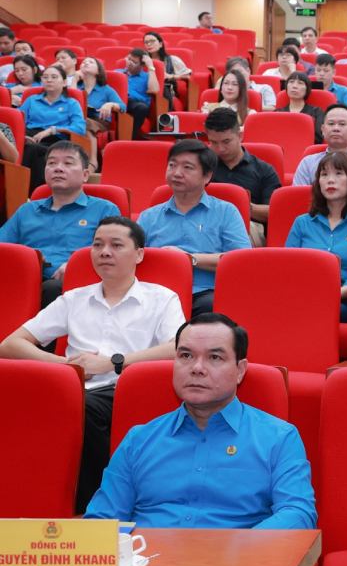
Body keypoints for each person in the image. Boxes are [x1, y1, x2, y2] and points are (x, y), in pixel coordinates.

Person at [0, 215, 185, 513]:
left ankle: (93, 504)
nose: (104, 252)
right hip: (73, 388)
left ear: (139, 254)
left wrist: (113, 363)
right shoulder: (74, 299)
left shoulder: (161, 298)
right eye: (97, 245)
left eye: (115, 245)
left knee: (81, 408)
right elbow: (10, 345)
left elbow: (180, 346)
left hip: (126, 388)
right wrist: (66, 366)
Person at [85, 313, 318, 529]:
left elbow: (298, 513)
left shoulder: (278, 438)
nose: (197, 368)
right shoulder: (139, 439)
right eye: (186, 355)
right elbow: (103, 519)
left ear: (240, 370)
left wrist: (241, 550)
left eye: (214, 357)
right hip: (148, 565)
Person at [0, 141, 122, 305]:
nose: (58, 168)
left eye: (68, 163)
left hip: (75, 282)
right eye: (51, 163)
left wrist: (78, 263)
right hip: (23, 277)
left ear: (85, 175)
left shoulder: (105, 209)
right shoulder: (27, 210)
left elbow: (114, 249)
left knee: (52, 289)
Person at [138, 140, 251, 315]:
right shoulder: (149, 216)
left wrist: (189, 259)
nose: (176, 173)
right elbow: (132, 256)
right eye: (172, 165)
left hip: (205, 293)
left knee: (213, 309)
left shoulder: (226, 211)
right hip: (158, 292)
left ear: (206, 176)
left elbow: (240, 260)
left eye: (187, 168)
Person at [285, 152, 347, 320]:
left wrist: (337, 293)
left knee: (321, 309)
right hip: (303, 296)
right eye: (324, 174)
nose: (330, 180)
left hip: (341, 300)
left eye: (338, 173)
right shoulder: (302, 223)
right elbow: (287, 267)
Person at [205, 108, 280, 246]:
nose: (220, 148)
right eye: (214, 143)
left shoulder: (264, 170)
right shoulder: (203, 166)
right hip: (205, 222)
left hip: (248, 225)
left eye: (226, 141)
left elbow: (275, 211)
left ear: (240, 136)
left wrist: (243, 205)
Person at [19, 64, 85, 146]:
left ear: (64, 82)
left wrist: (52, 130)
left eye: (54, 77)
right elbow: (19, 121)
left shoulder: (71, 103)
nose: (49, 80)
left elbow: (80, 129)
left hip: (56, 140)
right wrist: (23, 137)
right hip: (30, 135)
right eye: (45, 77)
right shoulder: (32, 100)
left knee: (31, 149)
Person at [77, 56, 125, 146]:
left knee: (82, 122)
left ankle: (93, 160)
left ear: (98, 71)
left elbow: (123, 107)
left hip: (99, 121)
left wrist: (110, 104)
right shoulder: (76, 87)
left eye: (91, 62)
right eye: (83, 62)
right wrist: (74, 79)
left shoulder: (106, 89)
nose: (86, 63)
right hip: (78, 118)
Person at [143, 31, 191, 107]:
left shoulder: (173, 60)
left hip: (166, 91)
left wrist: (171, 76)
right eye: (146, 42)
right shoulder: (143, 61)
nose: (149, 44)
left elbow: (189, 77)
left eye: (152, 41)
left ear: (160, 44)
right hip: (146, 90)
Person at [276, 72, 324, 143]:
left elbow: (318, 137)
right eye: (291, 82)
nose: (294, 86)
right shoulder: (277, 113)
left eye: (300, 83)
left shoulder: (316, 112)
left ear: (307, 89)